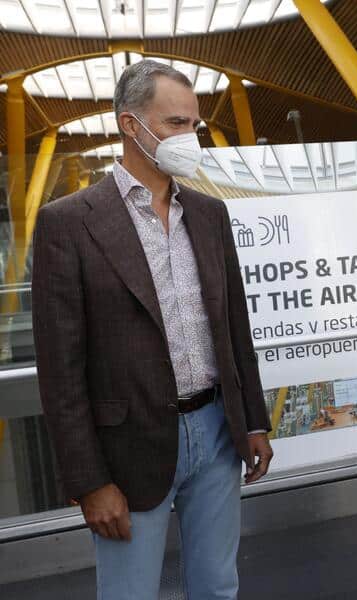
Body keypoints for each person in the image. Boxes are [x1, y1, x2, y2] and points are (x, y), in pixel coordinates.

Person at [31, 60, 272, 600]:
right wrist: (89, 481)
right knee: (129, 593)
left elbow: (235, 327)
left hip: (215, 431)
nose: (190, 137)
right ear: (130, 125)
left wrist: (252, 420)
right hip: (127, 447)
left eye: (194, 124)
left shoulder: (209, 215)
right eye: (175, 123)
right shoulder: (68, 223)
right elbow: (61, 370)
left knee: (216, 587)